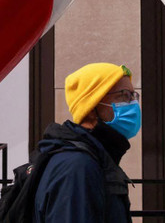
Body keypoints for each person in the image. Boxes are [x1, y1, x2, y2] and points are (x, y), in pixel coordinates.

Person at [32, 62, 140, 222]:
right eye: (123, 95)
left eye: (133, 96)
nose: (133, 104)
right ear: (91, 108)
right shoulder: (77, 166)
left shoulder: (96, 157)